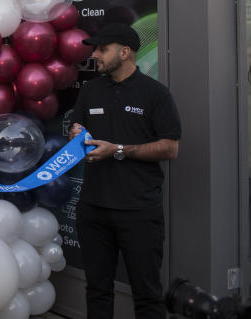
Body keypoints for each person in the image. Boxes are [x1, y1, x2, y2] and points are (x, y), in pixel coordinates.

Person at [68, 22, 181, 319]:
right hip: (93, 208)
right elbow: (77, 132)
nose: (96, 55)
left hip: (138, 211)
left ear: (126, 52)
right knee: (97, 289)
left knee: (147, 294)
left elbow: (170, 148)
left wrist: (118, 150)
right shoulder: (90, 90)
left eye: (103, 49)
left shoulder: (155, 93)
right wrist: (76, 134)